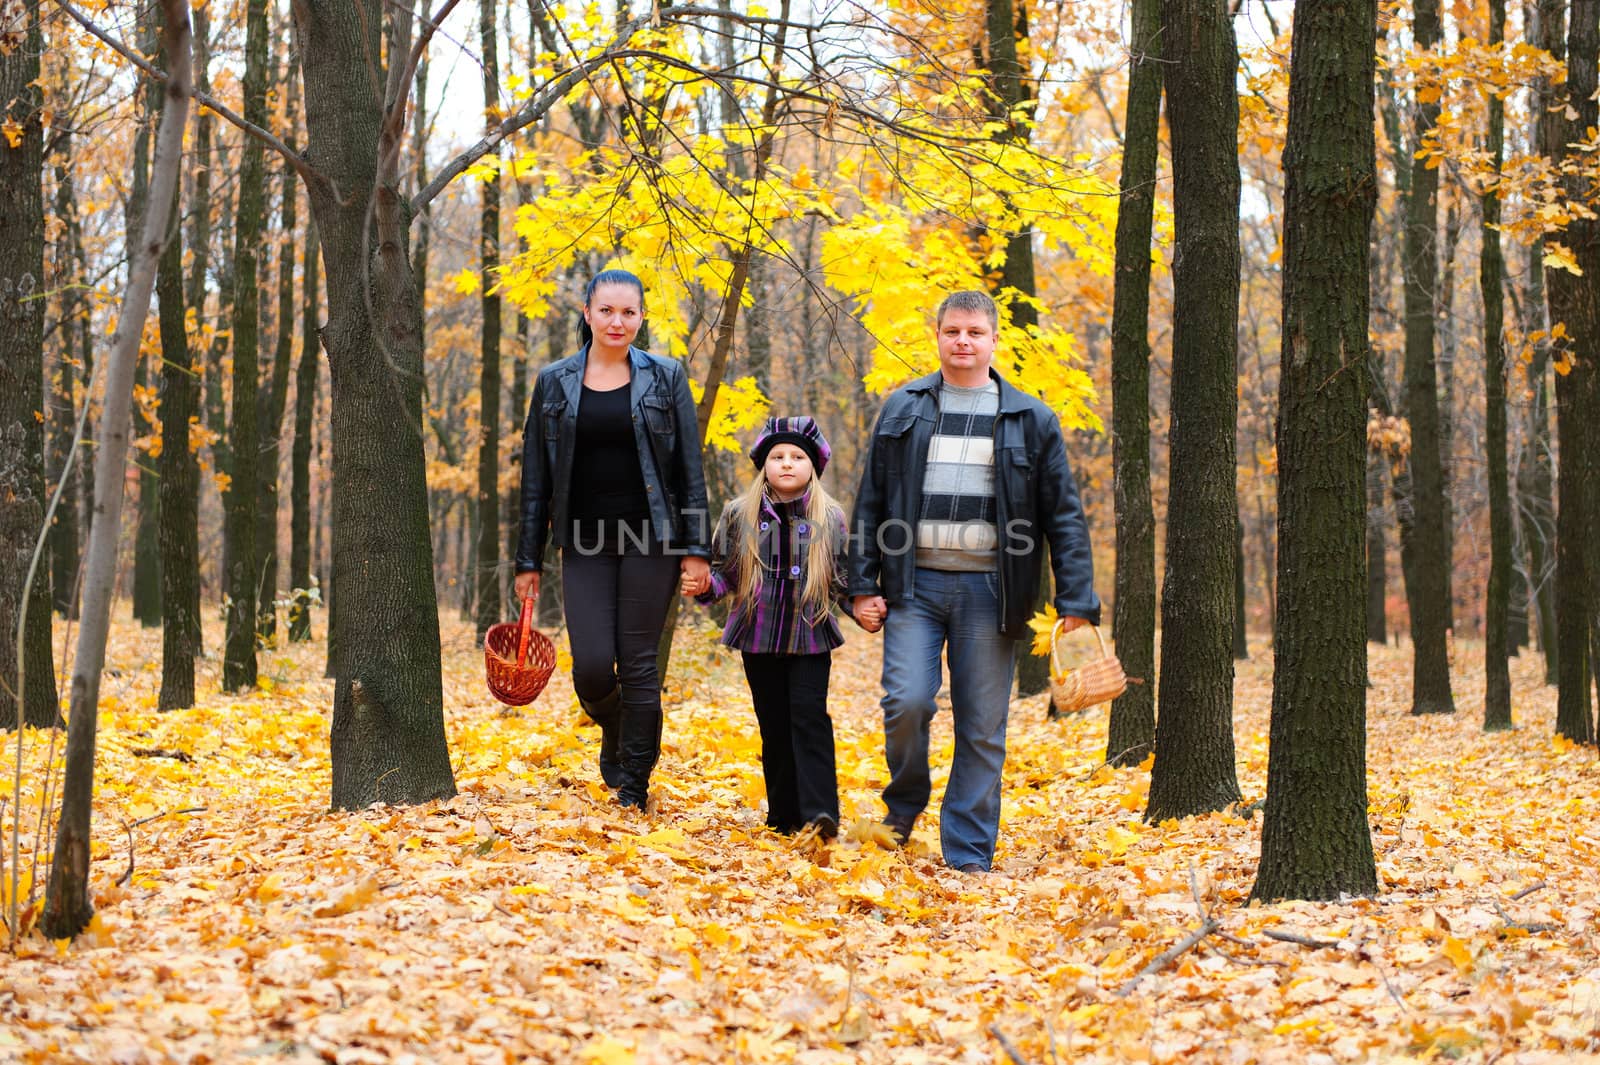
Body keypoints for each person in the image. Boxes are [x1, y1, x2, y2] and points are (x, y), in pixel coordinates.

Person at [849, 289, 1101, 873]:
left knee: (982, 726)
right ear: (937, 336)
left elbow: (1063, 514)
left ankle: (966, 854)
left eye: (974, 332)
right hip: (914, 587)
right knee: (906, 702)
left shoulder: (1031, 419)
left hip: (993, 592)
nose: (962, 341)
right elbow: (871, 503)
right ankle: (905, 802)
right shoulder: (902, 408)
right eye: (952, 331)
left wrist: (1076, 598)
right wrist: (862, 584)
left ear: (993, 340)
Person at [514, 269, 711, 810]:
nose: (617, 321)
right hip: (583, 539)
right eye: (607, 311)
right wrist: (527, 557)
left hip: (651, 537)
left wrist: (697, 550)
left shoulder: (666, 377)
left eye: (628, 312)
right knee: (594, 665)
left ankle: (634, 785)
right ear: (587, 313)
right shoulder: (554, 380)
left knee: (639, 659)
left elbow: (690, 469)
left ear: (641, 317)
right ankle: (618, 727)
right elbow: (536, 476)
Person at [688, 417, 853, 839]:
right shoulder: (738, 513)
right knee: (774, 722)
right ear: (763, 464)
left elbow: (841, 578)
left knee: (809, 717)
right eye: (777, 456)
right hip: (758, 634)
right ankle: (783, 817)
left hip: (809, 633)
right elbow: (727, 573)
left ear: (813, 466)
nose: (786, 463)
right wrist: (708, 585)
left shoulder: (830, 517)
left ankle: (819, 814)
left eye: (797, 457)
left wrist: (866, 606)